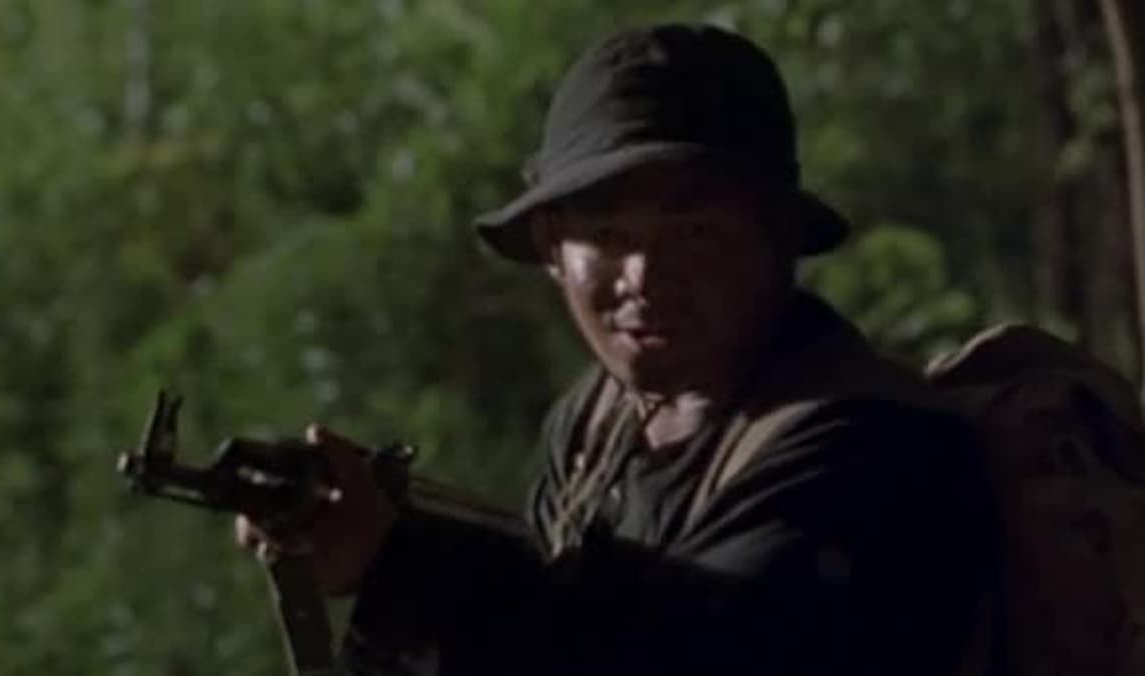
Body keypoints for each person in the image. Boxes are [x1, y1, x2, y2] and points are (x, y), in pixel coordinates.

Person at [235, 23, 996, 675]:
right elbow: (561, 622)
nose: (644, 277)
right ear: (552, 249)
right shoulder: (595, 428)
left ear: (780, 240)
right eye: (607, 234)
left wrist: (398, 568)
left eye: (694, 233)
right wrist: (365, 541)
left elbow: (702, 652)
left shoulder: (874, 447)